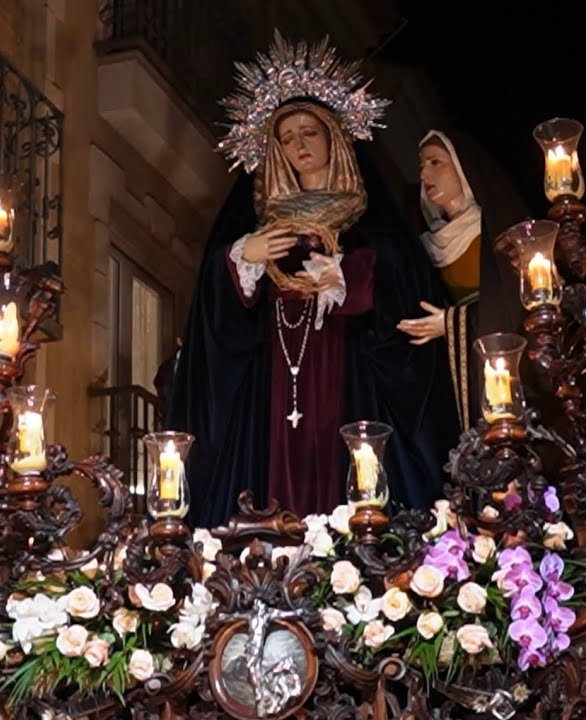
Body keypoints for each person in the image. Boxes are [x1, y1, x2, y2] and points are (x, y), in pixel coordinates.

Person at [167, 34, 460, 528]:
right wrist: (242, 258)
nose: (299, 146)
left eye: (309, 132)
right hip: (272, 383)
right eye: (286, 138)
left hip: (351, 371)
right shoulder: (254, 224)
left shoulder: (374, 221)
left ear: (334, 137)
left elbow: (405, 279)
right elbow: (213, 323)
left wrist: (351, 273)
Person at [397, 129, 529, 428]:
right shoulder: (428, 245)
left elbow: (512, 299)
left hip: (509, 356)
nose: (425, 173)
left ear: (463, 168)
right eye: (421, 166)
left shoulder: (494, 228)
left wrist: (452, 322)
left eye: (435, 162)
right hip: (463, 364)